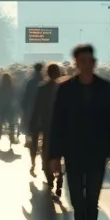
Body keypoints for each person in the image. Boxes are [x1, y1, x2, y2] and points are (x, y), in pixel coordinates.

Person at [47, 44, 110, 220]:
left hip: (95, 154)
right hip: (74, 154)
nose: (85, 65)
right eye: (81, 61)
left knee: (90, 201)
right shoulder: (66, 90)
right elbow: (57, 123)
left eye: (88, 60)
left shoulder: (105, 88)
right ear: (76, 63)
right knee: (80, 204)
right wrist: (54, 155)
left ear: (93, 62)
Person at [30, 63, 65, 197]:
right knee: (60, 154)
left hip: (47, 126)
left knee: (47, 154)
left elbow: (37, 108)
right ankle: (60, 176)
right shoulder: (64, 88)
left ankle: (50, 178)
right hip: (62, 127)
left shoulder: (42, 88)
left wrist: (33, 124)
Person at [20, 63, 45, 176]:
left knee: (34, 140)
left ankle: (33, 163)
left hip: (33, 115)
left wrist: (25, 111)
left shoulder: (30, 82)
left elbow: (25, 99)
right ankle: (45, 163)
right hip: (45, 116)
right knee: (46, 141)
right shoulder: (45, 82)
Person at [0, 72, 18, 146]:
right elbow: (15, 97)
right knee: (11, 122)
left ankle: (0, 134)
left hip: (2, 107)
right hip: (10, 107)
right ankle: (11, 135)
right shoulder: (12, 87)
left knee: (1, 121)